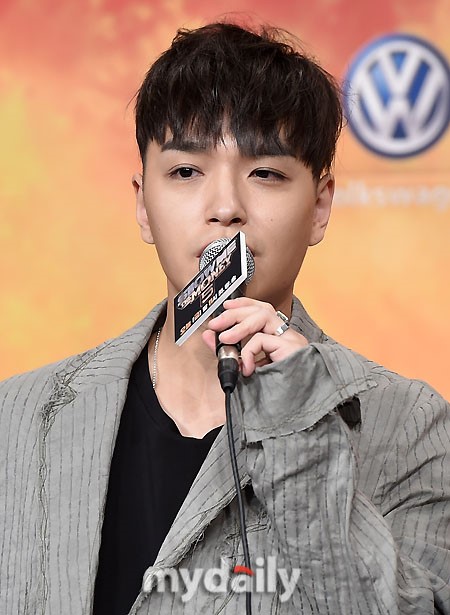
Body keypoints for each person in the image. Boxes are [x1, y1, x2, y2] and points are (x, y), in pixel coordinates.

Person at [1, 21, 449, 615]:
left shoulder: (410, 426)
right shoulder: (19, 416)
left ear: (319, 207)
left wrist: (301, 426)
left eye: (266, 174)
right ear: (142, 203)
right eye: (186, 172)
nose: (225, 207)